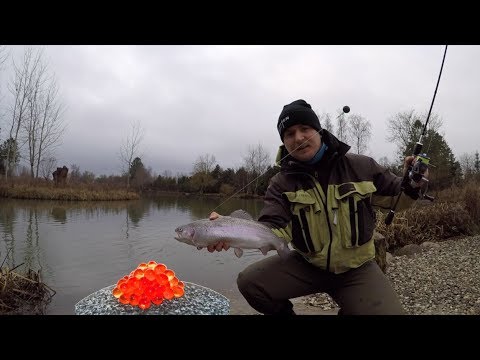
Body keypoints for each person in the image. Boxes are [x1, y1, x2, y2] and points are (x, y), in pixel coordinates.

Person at [205, 99, 427, 315]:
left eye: (304, 129)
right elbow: (273, 226)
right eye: (289, 134)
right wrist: (228, 230)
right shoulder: (281, 183)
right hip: (307, 265)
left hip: (357, 269)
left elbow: (400, 198)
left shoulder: (361, 166)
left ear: (318, 131)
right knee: (250, 283)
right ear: (284, 141)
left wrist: (415, 181)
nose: (298, 137)